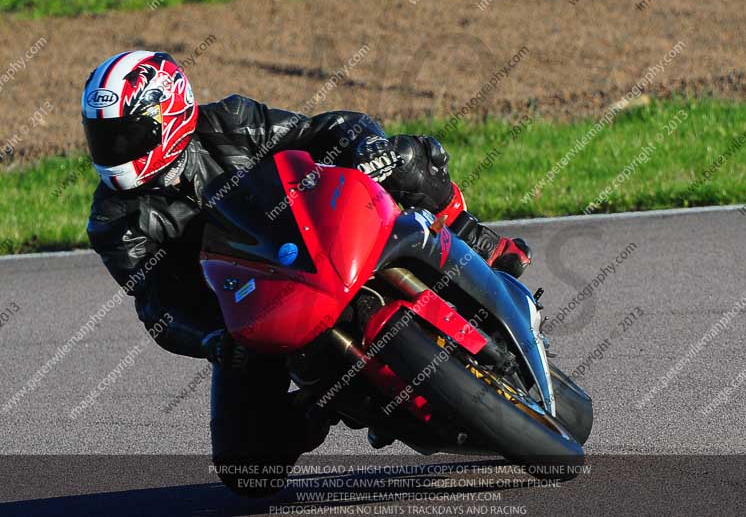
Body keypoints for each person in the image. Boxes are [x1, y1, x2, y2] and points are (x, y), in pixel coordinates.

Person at [82, 51, 531, 496]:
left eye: (127, 135)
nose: (113, 150)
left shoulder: (229, 123)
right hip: (248, 317)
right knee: (245, 468)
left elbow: (323, 130)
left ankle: (480, 244)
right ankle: (325, 401)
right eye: (103, 137)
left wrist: (367, 147)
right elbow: (157, 304)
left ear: (172, 115)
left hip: (326, 239)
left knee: (409, 155)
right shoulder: (113, 220)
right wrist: (210, 339)